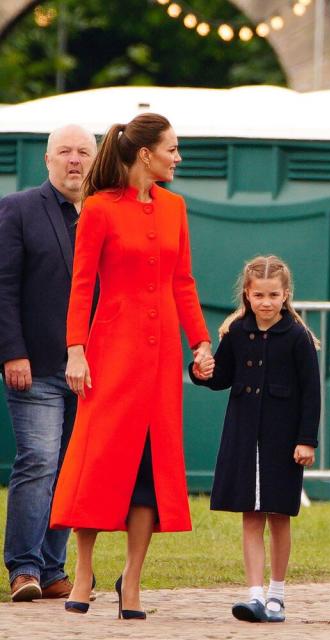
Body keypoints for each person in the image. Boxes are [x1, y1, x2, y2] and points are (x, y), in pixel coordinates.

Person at [49, 113, 213, 618]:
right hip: (110, 352)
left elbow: (182, 282)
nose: (178, 158)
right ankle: (81, 572)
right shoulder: (97, 209)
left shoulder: (175, 207)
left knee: (148, 470)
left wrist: (201, 343)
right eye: (173, 148)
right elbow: (80, 286)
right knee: (98, 461)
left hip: (161, 356)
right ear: (146, 154)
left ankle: (133, 582)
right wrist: (76, 349)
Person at [189, 255, 321, 623]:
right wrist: (201, 371)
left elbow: (312, 393)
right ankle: (254, 594)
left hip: (283, 441)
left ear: (286, 295)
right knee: (250, 516)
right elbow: (221, 377)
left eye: (273, 295)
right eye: (259, 294)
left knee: (279, 516)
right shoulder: (236, 334)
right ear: (247, 294)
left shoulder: (297, 337)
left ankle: (277, 594)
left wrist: (306, 440)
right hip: (244, 437)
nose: (266, 302)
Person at [0, 125, 97, 601]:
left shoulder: (104, 213)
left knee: (70, 467)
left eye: (83, 151)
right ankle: (23, 569)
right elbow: (3, 286)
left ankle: (54, 568)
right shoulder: (18, 209)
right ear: (47, 160)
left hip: (93, 370)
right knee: (38, 461)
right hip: (35, 364)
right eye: (65, 152)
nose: (74, 160)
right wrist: (11, 351)